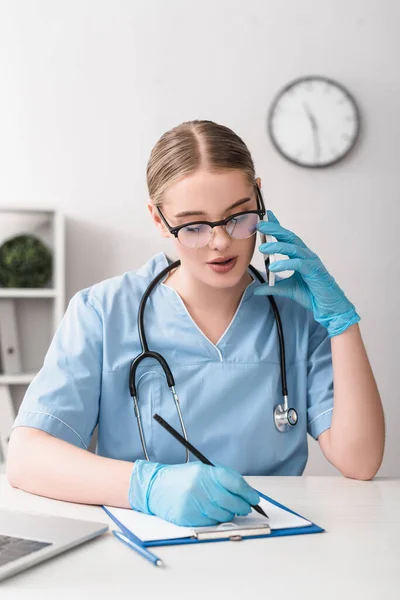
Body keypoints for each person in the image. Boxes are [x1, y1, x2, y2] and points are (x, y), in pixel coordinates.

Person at [7, 120, 385, 527]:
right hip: (146, 548)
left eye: (238, 216)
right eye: (193, 226)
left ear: (258, 194)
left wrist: (343, 322)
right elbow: (27, 457)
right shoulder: (102, 312)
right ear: (157, 219)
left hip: (273, 546)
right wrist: (147, 486)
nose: (219, 241)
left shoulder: (297, 315)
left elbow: (359, 461)